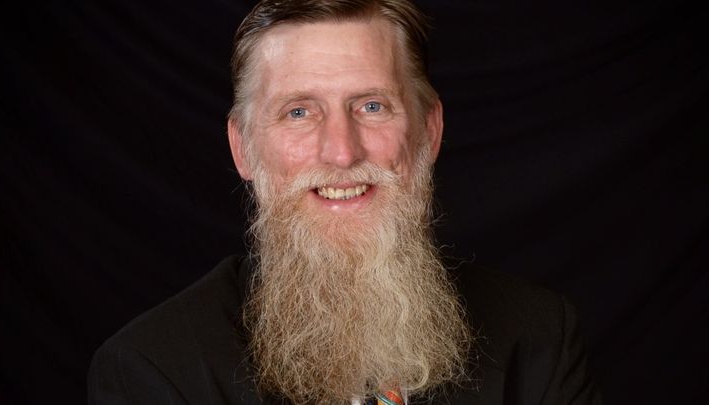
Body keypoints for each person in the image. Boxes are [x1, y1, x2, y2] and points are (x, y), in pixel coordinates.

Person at [88, 1, 600, 404]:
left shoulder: (538, 338)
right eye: (298, 112)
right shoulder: (154, 369)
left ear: (429, 131)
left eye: (372, 106)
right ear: (243, 148)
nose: (341, 151)